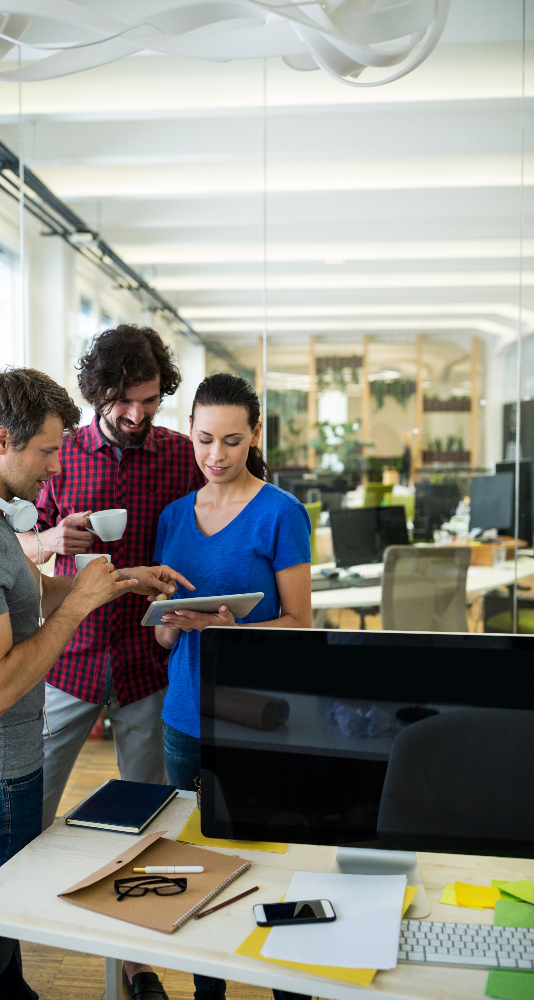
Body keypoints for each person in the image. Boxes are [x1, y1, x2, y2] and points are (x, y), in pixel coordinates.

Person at [0, 368, 186, 1000]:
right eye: (47, 451)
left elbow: (35, 593)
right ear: (1, 441)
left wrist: (122, 580)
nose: (57, 467)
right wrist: (78, 608)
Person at [153, 371, 312, 1000]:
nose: (215, 455)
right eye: (203, 440)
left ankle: (288, 985)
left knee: (273, 862)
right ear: (189, 434)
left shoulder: (281, 512)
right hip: (186, 716)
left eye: (231, 440)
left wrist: (232, 630)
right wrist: (172, 624)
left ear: (255, 436)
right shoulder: (172, 516)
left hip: (259, 719)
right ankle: (207, 991)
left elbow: (299, 624)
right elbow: (164, 639)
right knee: (195, 867)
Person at [18, 325, 205, 832]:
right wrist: (49, 539)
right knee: (31, 803)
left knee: (150, 810)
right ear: (96, 393)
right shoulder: (57, 454)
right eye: (122, 401)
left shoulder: (182, 456)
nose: (136, 415)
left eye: (149, 401)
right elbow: (12, 543)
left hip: (149, 660)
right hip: (69, 655)